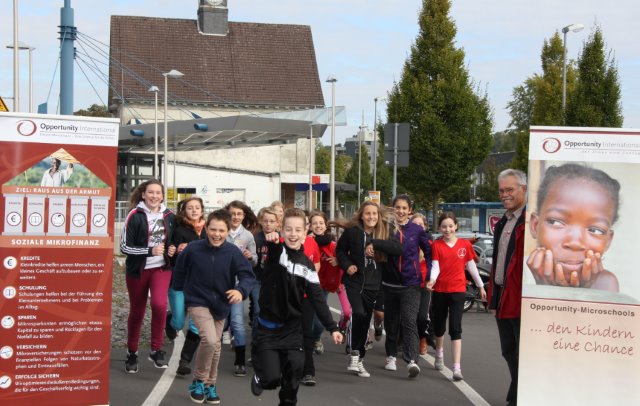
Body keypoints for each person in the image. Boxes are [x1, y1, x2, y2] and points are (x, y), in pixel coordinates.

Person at [250, 208, 342, 406]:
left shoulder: (307, 266)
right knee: (272, 378)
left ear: (305, 231)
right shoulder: (277, 253)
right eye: (288, 229)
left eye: (298, 230)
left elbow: (317, 298)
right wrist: (273, 241)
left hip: (293, 330)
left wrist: (332, 327)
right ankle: (260, 375)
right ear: (281, 230)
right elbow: (274, 251)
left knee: (293, 379)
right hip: (268, 329)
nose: (293, 234)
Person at [173, 209, 255, 404]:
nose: (216, 234)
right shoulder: (193, 249)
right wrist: (181, 295)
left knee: (216, 345)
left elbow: (247, 275)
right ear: (206, 228)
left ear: (227, 231)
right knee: (210, 340)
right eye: (213, 229)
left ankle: (210, 385)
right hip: (197, 301)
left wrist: (240, 291)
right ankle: (198, 381)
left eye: (221, 230)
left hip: (221, 303)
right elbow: (179, 272)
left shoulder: (232, 251)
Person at [526, 163, 619, 291]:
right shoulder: (520, 276)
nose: (575, 243)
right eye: (555, 222)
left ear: (608, 240)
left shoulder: (606, 284)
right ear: (535, 225)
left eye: (595, 230)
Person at [335, 201, 402, 378]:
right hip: (355, 282)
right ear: (361, 216)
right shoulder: (352, 232)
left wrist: (376, 244)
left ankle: (359, 357)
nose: (371, 217)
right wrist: (347, 265)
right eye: (367, 214)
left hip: (376, 284)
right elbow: (340, 251)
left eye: (374, 214)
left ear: (378, 215)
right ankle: (355, 354)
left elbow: (398, 249)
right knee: (358, 313)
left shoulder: (385, 231)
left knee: (365, 321)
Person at [120, 179, 176, 373]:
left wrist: (173, 248)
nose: (154, 196)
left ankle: (156, 349)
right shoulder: (134, 215)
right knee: (137, 312)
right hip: (138, 270)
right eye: (150, 192)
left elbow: (173, 240)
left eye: (158, 193)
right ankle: (132, 352)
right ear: (143, 194)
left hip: (161, 268)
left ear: (162, 195)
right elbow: (124, 247)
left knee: (160, 305)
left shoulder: (169, 215)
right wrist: (149, 250)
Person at [426, 212, 486, 381]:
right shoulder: (436, 245)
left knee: (455, 328)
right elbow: (436, 267)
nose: (447, 229)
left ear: (456, 226)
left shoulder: (465, 245)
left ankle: (457, 368)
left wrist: (481, 286)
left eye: (450, 226)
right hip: (440, 291)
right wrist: (432, 280)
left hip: (458, 290)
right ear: (439, 228)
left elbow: (471, 267)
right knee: (439, 327)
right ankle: (439, 354)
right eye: (444, 226)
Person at [488, 168, 527, 406]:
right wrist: (493, 298)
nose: (504, 195)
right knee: (509, 352)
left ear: (524, 189)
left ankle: (518, 399)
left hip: (522, 299)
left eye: (509, 190)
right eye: (502, 190)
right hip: (504, 296)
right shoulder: (505, 221)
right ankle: (518, 397)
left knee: (522, 355)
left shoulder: (532, 220)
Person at [382, 194, 432, 378]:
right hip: (389, 283)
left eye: (404, 208)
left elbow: (429, 253)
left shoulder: (417, 230)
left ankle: (412, 360)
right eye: (398, 207)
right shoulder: (386, 229)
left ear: (410, 210)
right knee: (391, 322)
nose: (401, 211)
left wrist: (428, 277)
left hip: (411, 284)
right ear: (393, 208)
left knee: (410, 321)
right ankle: (391, 355)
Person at [166, 196, 207, 377]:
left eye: (197, 207)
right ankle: (170, 320)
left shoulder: (208, 230)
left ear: (202, 210)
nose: (194, 211)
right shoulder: (180, 229)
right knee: (178, 321)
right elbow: (172, 254)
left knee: (196, 325)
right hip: (180, 281)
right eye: (190, 208)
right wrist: (177, 251)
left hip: (200, 284)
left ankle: (184, 360)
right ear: (184, 211)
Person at [223, 200, 258, 377]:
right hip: (219, 282)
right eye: (233, 213)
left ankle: (239, 361)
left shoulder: (248, 236)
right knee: (219, 319)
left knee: (237, 321)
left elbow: (255, 259)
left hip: (236, 284)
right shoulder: (220, 231)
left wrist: (250, 256)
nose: (235, 217)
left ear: (244, 216)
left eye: (239, 214)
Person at [411, 212, 435, 355]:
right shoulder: (405, 242)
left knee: (422, 316)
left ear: (425, 227)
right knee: (409, 316)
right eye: (415, 224)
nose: (418, 227)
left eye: (421, 224)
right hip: (409, 285)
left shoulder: (430, 245)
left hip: (425, 285)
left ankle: (423, 339)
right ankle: (409, 341)